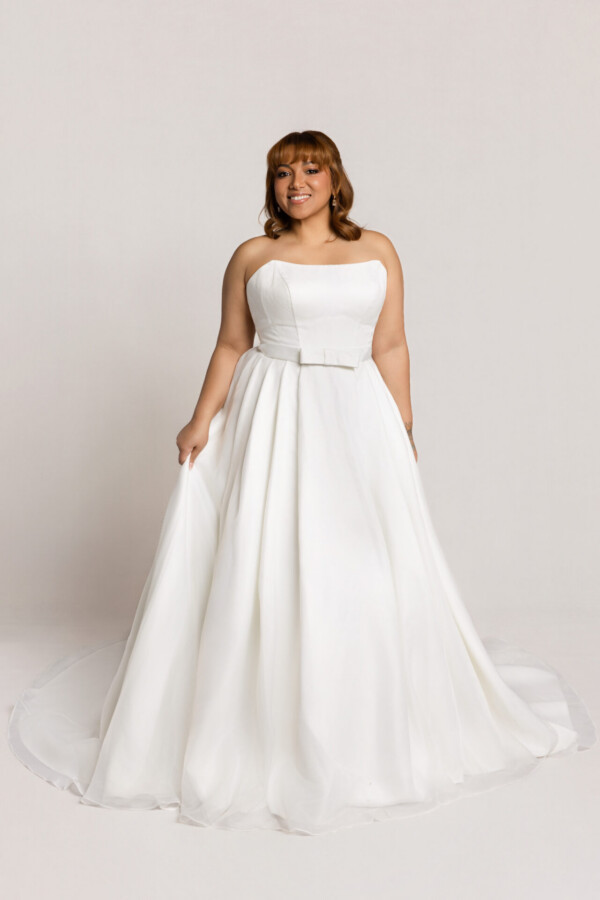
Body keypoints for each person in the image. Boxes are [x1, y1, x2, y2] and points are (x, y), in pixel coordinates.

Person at [7, 130, 596, 836]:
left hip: (356, 413)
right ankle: (266, 717)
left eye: (311, 170)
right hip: (273, 412)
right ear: (272, 186)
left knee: (365, 565)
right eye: (283, 172)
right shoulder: (253, 257)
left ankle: (362, 721)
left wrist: (402, 427)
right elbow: (231, 344)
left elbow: (391, 344)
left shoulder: (376, 250)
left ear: (336, 179)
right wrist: (199, 421)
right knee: (273, 556)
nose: (297, 183)